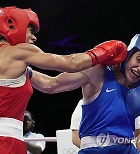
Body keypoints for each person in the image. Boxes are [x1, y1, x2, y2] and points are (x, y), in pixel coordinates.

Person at [0, 6, 127, 154]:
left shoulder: (20, 68)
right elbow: (71, 63)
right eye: (30, 30)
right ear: (13, 25)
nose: (34, 37)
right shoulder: (19, 51)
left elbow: (50, 85)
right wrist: (104, 52)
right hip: (5, 142)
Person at [29, 33, 140, 153]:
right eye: (139, 59)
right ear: (129, 54)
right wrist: (24, 69)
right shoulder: (97, 71)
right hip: (94, 149)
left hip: (127, 149)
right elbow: (51, 85)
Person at [70, 99, 140, 153]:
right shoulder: (85, 102)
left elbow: (138, 134)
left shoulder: (129, 101)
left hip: (125, 149)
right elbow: (75, 137)